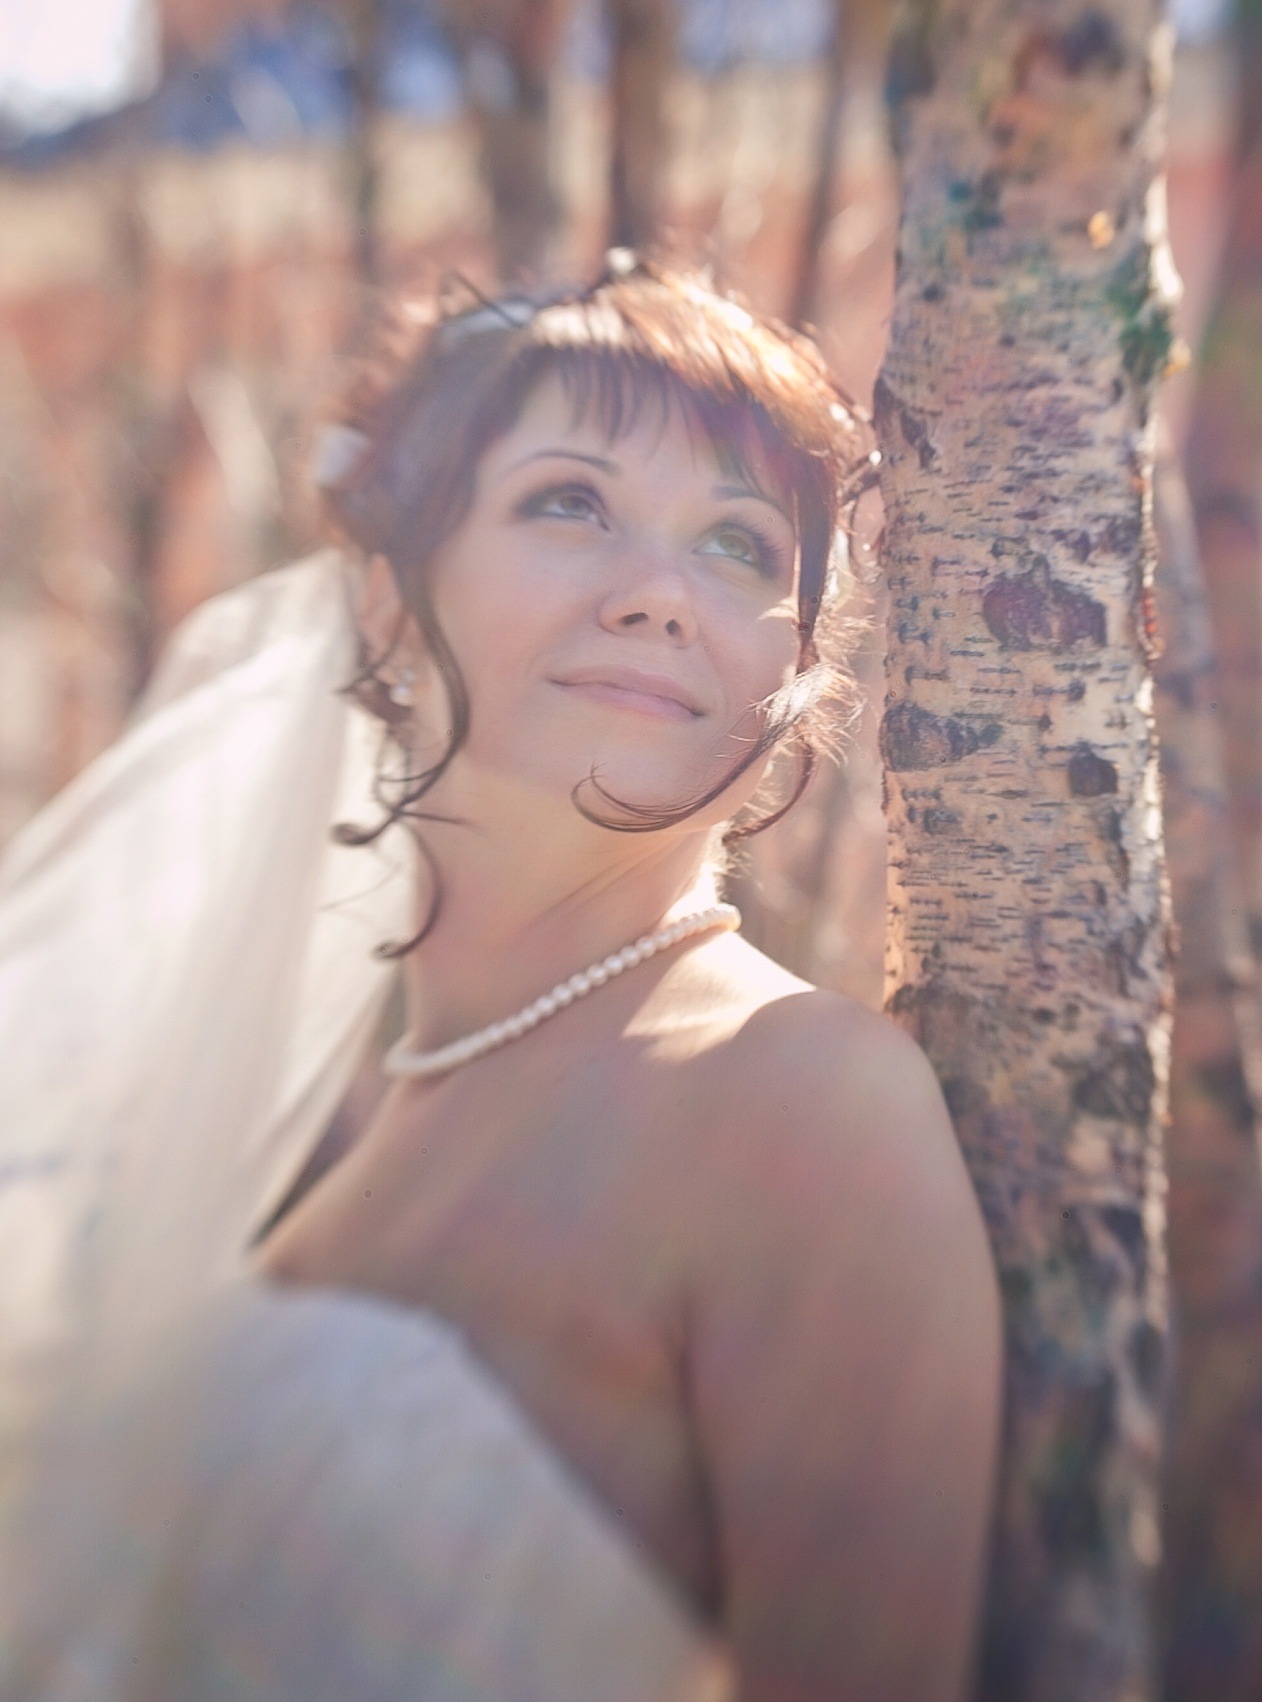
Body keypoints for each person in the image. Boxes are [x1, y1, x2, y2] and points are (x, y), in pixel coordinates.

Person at [0, 256, 1000, 1702]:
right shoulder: (345, 1146)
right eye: (571, 503)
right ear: (387, 603)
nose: (659, 595)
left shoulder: (801, 1104)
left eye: (738, 544)